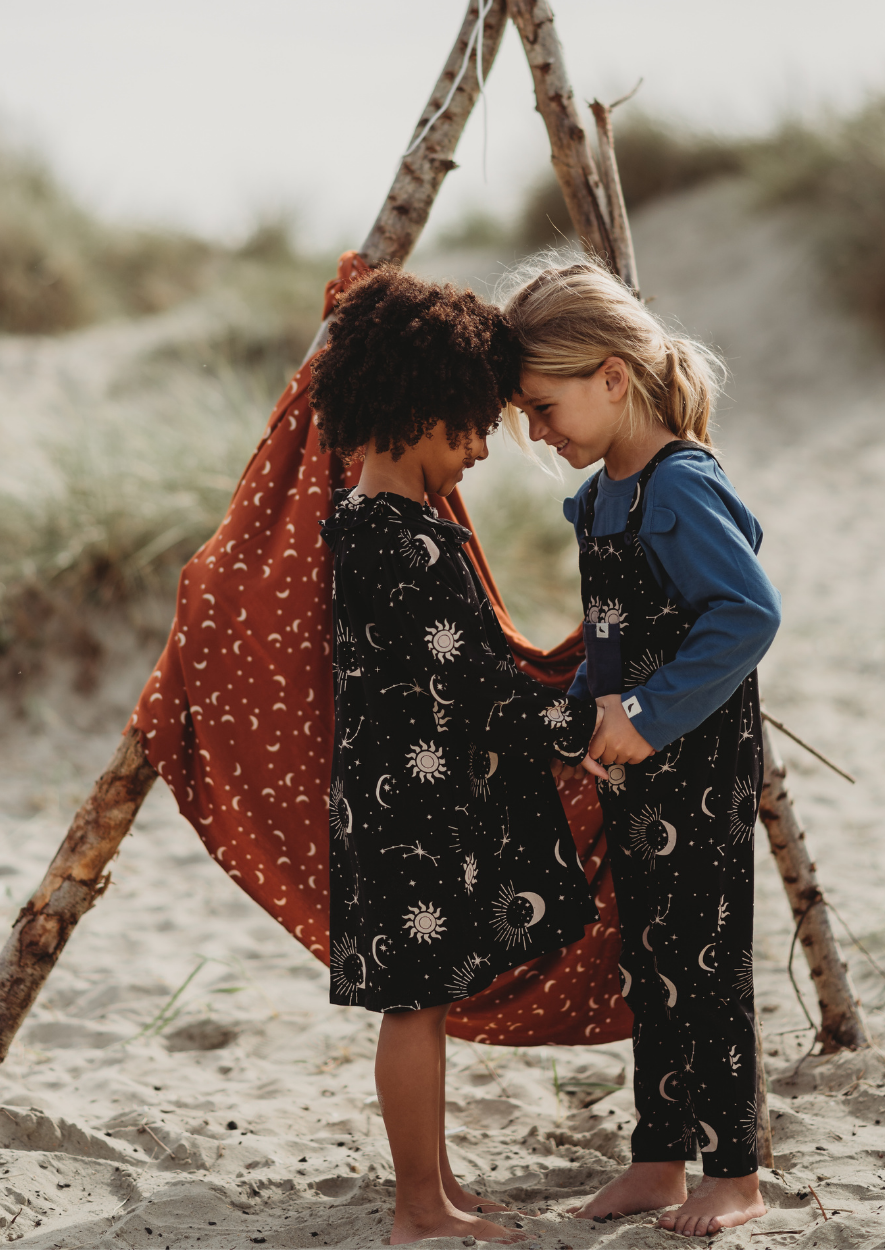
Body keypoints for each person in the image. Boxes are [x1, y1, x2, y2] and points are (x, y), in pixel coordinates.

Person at [312, 267, 606, 1247]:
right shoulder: (397, 541)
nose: (481, 450)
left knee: (423, 1005)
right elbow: (473, 685)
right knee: (414, 1008)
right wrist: (579, 728)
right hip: (408, 819)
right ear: (414, 410)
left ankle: (435, 1185)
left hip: (403, 804)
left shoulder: (375, 522)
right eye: (470, 427)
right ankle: (417, 1208)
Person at [503, 260, 782, 1238]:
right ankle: (659, 1157)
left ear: (611, 376)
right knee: (650, 956)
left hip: (697, 760)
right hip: (633, 766)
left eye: (543, 406)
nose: (536, 432)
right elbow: (607, 632)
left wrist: (653, 712)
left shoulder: (680, 485)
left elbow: (746, 613)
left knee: (706, 960)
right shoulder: (600, 500)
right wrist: (587, 715)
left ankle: (735, 1170)